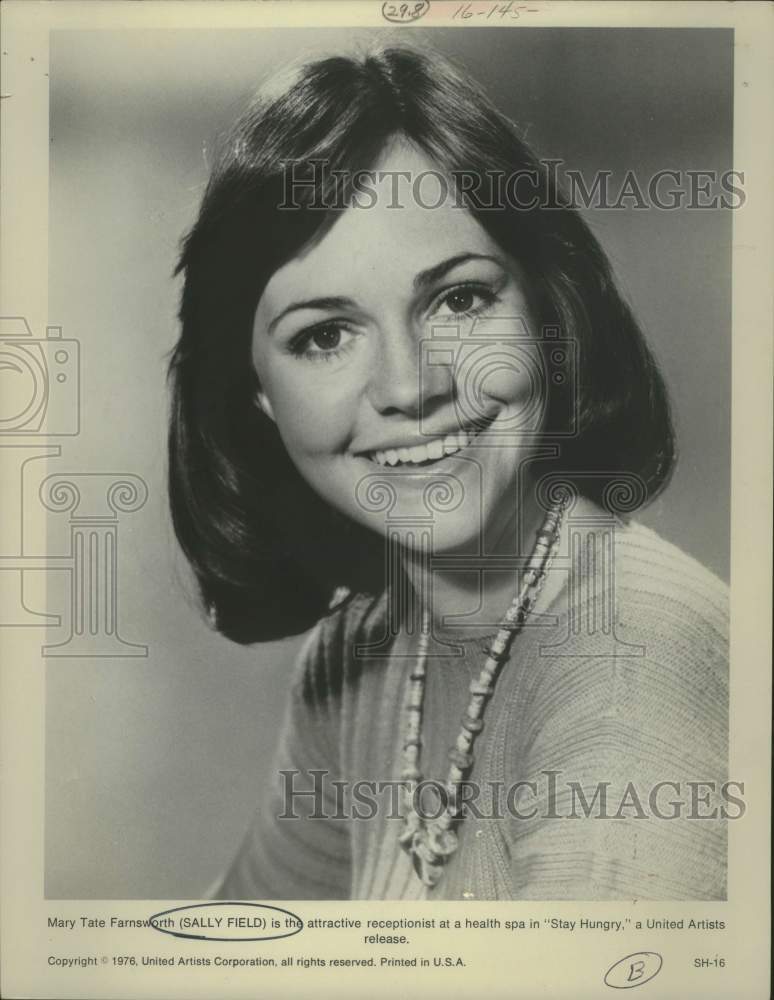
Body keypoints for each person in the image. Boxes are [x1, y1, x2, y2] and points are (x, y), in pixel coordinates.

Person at [168, 43, 728, 900]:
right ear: (258, 396)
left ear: (549, 307)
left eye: (459, 299)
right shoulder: (357, 656)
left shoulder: (634, 659)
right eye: (325, 335)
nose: (410, 387)